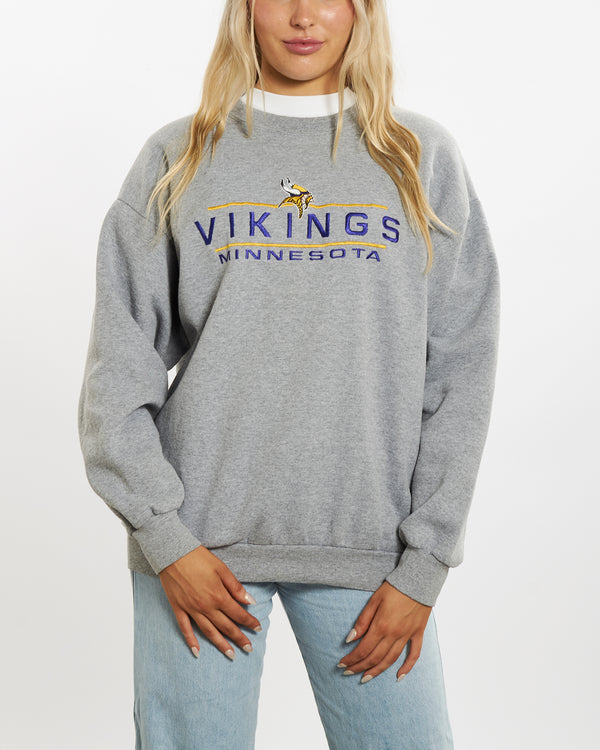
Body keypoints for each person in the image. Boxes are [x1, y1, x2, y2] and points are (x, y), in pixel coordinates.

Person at [77, 1, 500, 747]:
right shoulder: (179, 155)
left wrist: (427, 560)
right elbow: (119, 371)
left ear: (361, 11)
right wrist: (166, 539)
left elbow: (461, 370)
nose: (304, 16)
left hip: (372, 553)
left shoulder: (418, 156)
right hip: (197, 555)